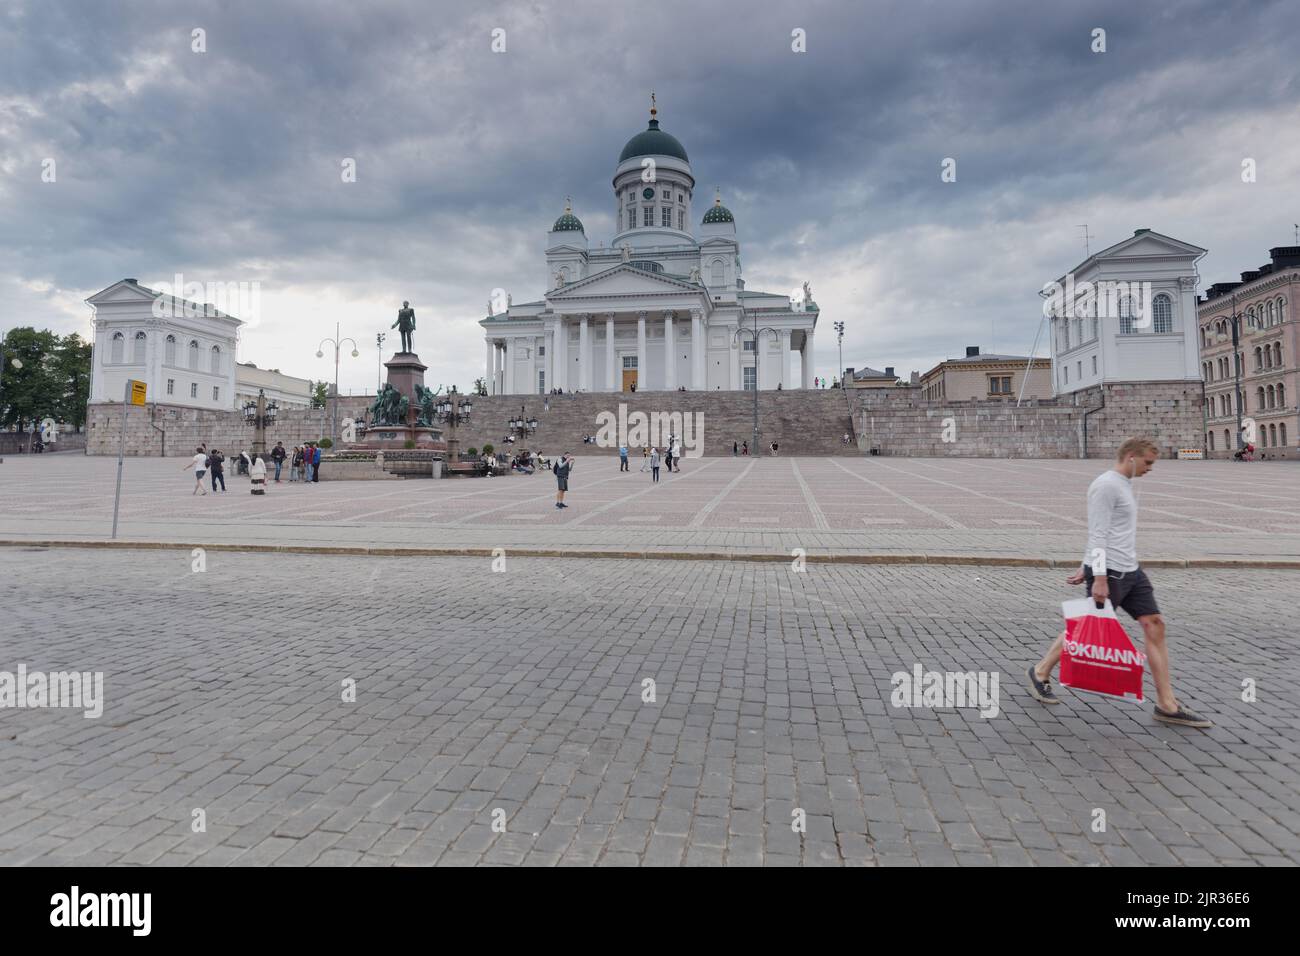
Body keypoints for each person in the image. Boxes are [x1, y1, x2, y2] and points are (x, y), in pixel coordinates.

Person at [1027, 438, 1211, 728]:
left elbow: (1110, 531)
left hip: (1131, 570)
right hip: (1110, 573)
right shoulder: (1106, 485)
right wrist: (1096, 575)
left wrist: (1085, 564)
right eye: (1147, 462)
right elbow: (1098, 532)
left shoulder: (1124, 483)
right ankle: (1040, 671)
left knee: (1155, 624)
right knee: (1086, 629)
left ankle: (1166, 703)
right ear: (1130, 457)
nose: (1150, 469)